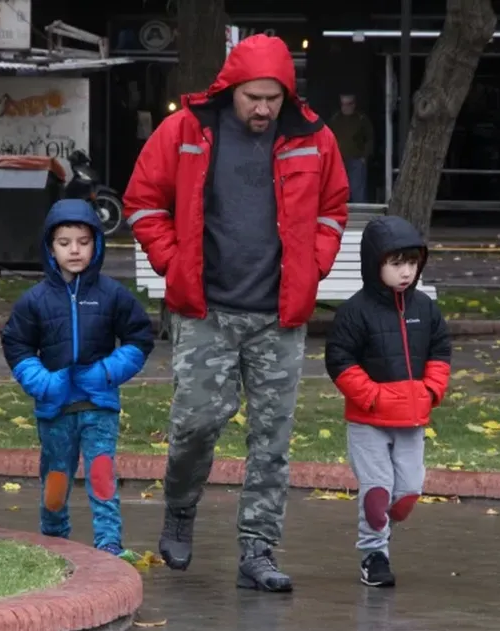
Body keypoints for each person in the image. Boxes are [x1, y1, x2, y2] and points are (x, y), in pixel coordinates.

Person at [123, 34, 349, 593]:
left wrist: (313, 266)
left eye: (274, 98)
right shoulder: (186, 131)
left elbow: (333, 209)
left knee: (272, 441)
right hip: (206, 312)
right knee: (195, 425)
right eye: (254, 97)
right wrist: (173, 264)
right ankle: (180, 509)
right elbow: (143, 201)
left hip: (279, 317)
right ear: (231, 90)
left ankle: (258, 550)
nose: (264, 109)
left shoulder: (314, 139)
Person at [1, 198, 154, 559]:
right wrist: (42, 382)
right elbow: (17, 345)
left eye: (83, 242)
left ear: (96, 244)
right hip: (55, 409)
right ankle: (55, 543)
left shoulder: (112, 294)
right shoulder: (34, 300)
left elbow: (139, 338)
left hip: (99, 405)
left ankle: (109, 543)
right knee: (56, 479)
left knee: (101, 473)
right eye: (65, 242)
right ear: (50, 248)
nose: (74, 250)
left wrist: (106, 373)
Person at [324, 215, 451, 587]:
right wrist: (372, 397)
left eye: (412, 263)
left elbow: (441, 349)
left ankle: (382, 530)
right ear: (374, 264)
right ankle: (374, 555)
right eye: (396, 264)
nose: (406, 272)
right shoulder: (355, 311)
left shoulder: (425, 308)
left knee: (408, 492)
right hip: (368, 421)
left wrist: (430, 391)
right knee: (377, 491)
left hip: (412, 419)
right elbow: (340, 359)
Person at [328, 94, 374, 203]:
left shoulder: (361, 119)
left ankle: (361, 216)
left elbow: (370, 138)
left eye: (348, 104)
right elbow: (328, 138)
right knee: (338, 190)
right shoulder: (335, 119)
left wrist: (364, 156)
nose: (345, 107)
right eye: (343, 104)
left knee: (357, 190)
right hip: (339, 161)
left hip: (356, 160)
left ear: (354, 105)